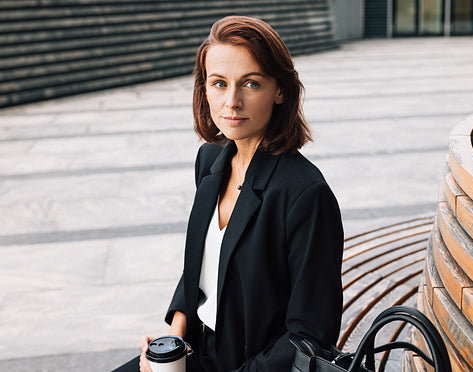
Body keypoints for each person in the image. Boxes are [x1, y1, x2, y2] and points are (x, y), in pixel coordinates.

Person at [115, 15, 343, 372]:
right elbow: (205, 262)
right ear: (203, 89)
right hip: (191, 353)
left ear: (280, 90)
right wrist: (172, 345)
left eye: (250, 84)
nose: (231, 101)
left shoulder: (305, 194)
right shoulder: (210, 161)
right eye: (219, 83)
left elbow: (310, 335)